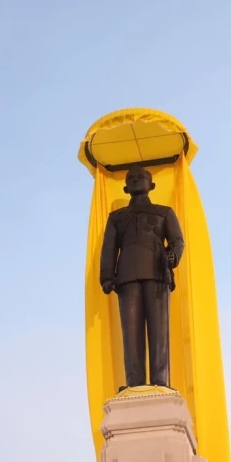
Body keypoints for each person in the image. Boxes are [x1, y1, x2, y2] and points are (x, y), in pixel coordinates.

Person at [99, 166, 184, 388]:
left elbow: (177, 241)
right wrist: (107, 276)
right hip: (127, 277)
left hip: (157, 273)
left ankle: (160, 380)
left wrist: (173, 255)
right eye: (131, 178)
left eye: (141, 177)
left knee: (159, 330)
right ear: (125, 187)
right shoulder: (117, 218)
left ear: (151, 185)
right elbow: (109, 248)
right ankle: (134, 382)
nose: (136, 180)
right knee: (131, 331)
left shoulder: (164, 213)